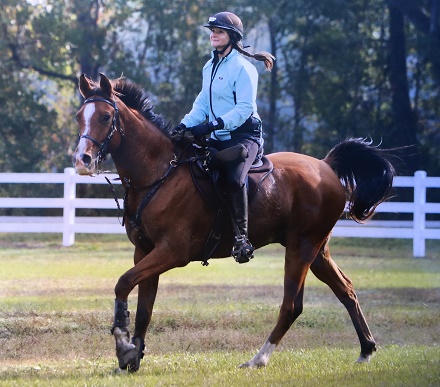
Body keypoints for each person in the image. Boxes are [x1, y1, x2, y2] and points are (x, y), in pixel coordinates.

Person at [173, 11, 275, 263]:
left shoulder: (244, 69)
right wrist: (184, 125)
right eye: (212, 31)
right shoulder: (208, 67)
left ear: (232, 36)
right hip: (218, 135)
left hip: (244, 136)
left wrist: (211, 126)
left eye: (218, 31)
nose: (213, 35)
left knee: (232, 177)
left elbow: (243, 109)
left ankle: (241, 238)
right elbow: (201, 105)